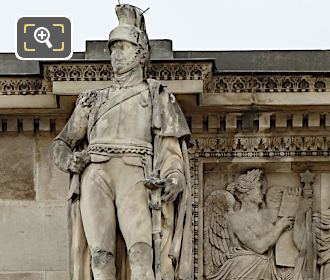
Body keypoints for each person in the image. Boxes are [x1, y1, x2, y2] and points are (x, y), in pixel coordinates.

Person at [50, 4, 191, 280]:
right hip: (96, 174)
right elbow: (62, 143)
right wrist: (70, 160)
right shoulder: (93, 99)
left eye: (122, 47)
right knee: (100, 256)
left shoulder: (156, 96)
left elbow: (171, 150)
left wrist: (173, 178)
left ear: (140, 54)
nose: (115, 55)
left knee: (141, 253)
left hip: (135, 173)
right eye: (112, 48)